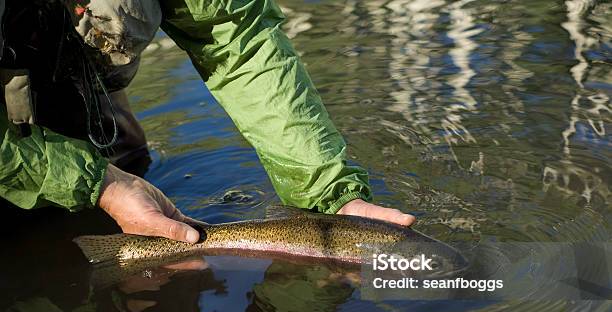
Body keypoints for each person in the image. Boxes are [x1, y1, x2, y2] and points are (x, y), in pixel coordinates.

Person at [0, 0, 415, 244]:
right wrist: (103, 185)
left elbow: (239, 39)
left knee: (127, 159)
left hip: (76, 72)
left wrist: (329, 194)